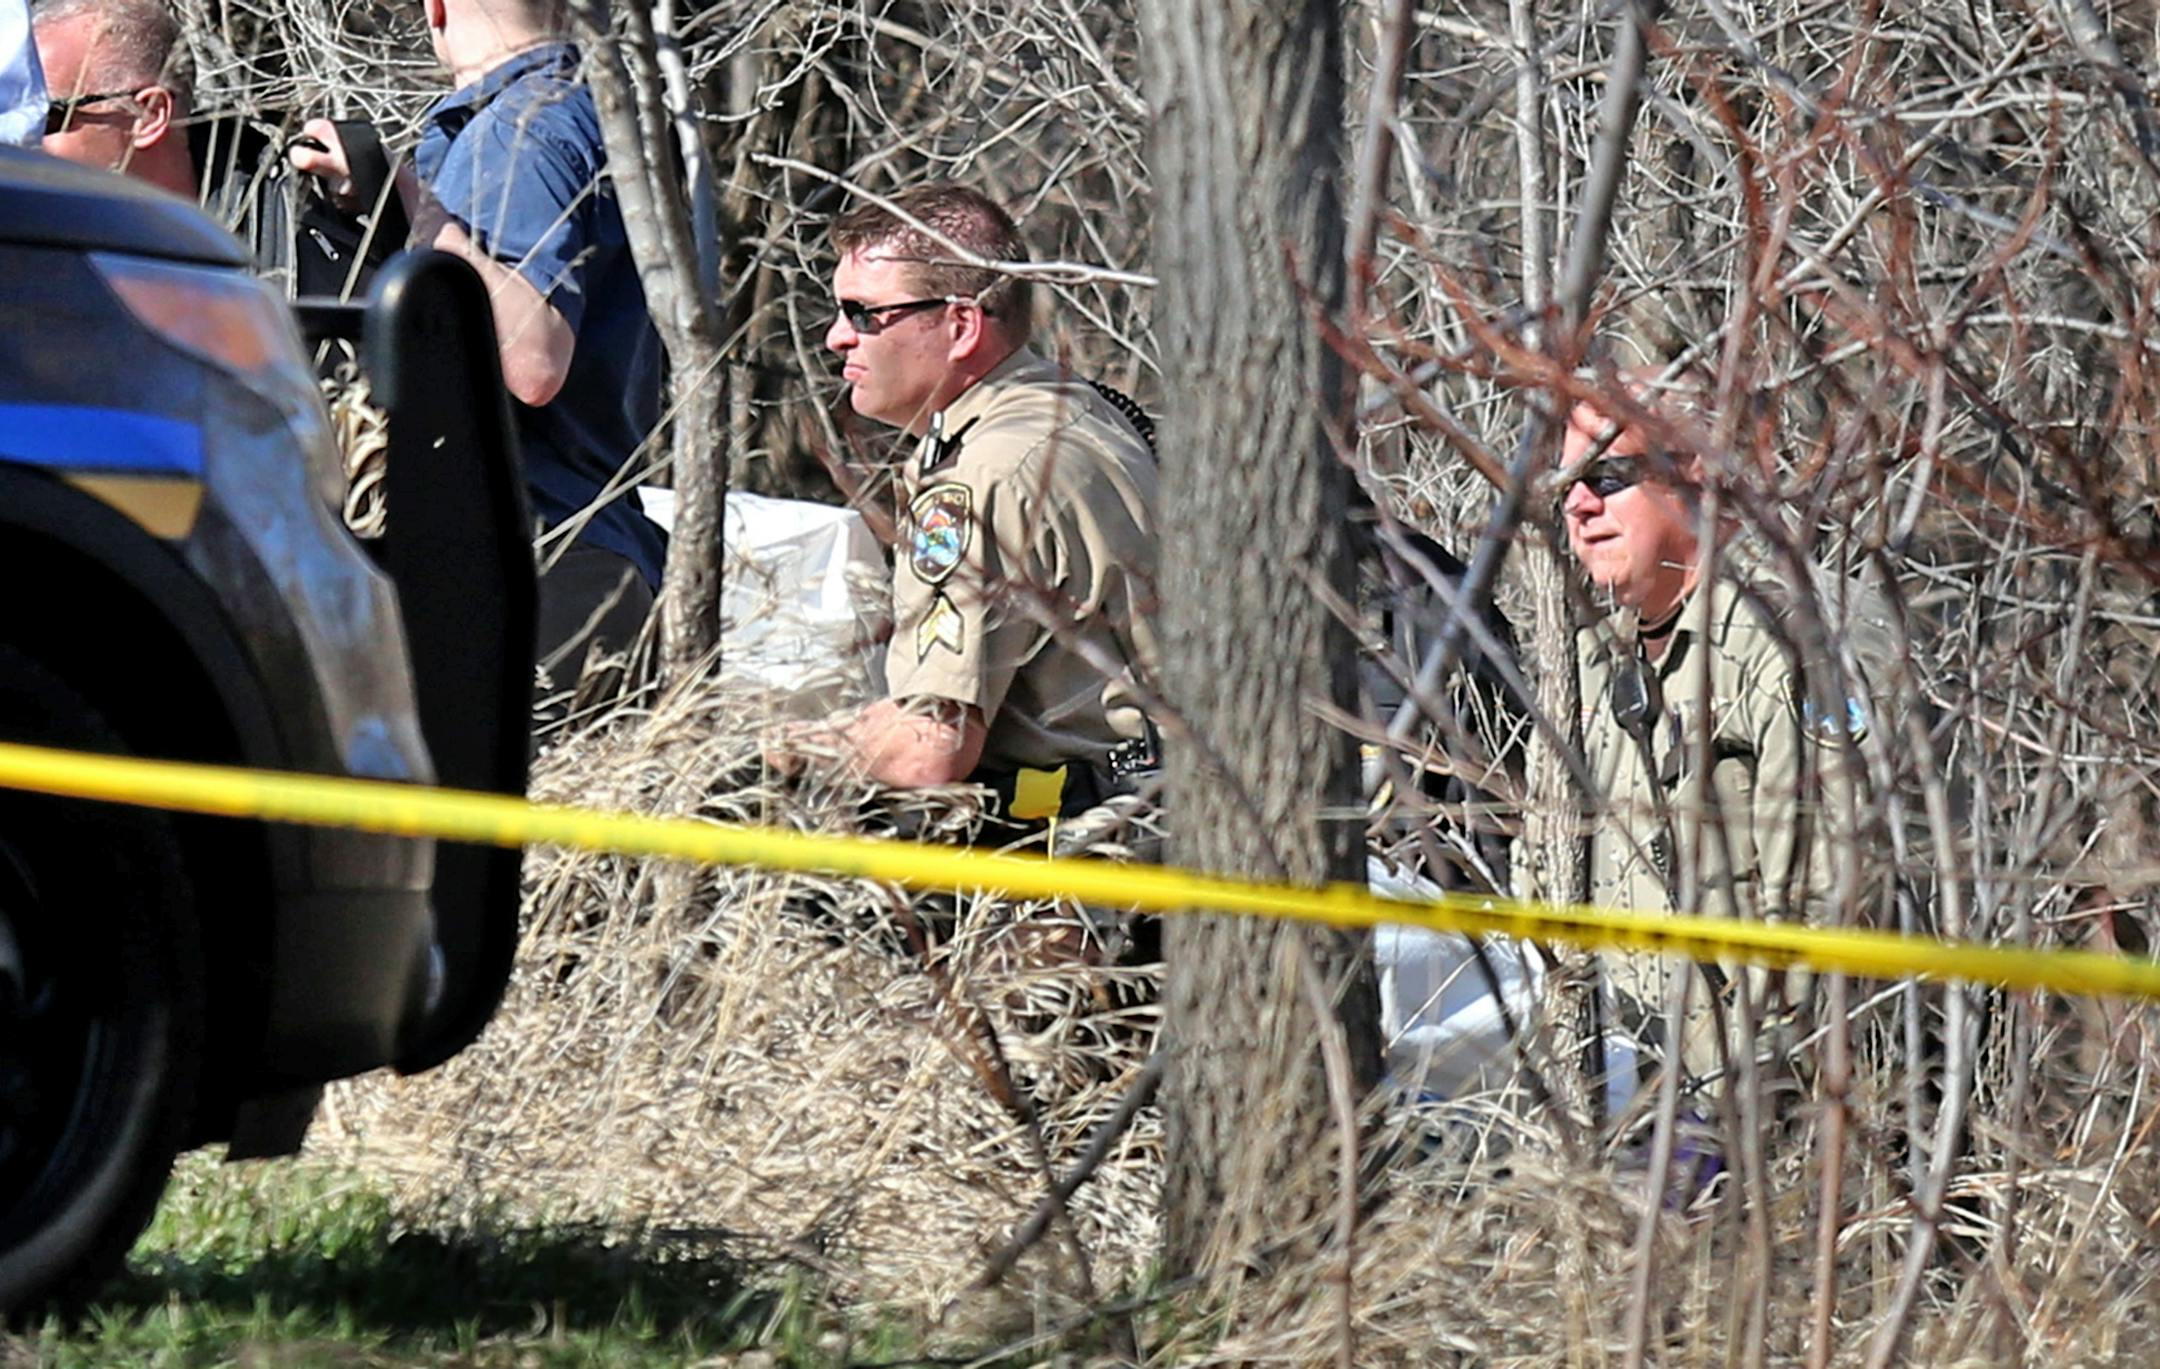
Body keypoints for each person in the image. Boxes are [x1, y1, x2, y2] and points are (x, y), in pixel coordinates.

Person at [289, 0, 666, 708]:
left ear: (435, 8)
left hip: (536, 570)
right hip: (580, 562)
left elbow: (534, 361)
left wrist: (412, 200)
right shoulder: (591, 117)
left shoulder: (519, 129)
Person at [773, 183, 1161, 846]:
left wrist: (776, 747)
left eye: (865, 314)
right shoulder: (1079, 409)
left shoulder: (984, 474)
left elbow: (932, 746)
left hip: (1089, 866)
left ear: (960, 326)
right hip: (1177, 815)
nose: (838, 337)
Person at [1559, 375, 1896, 1111]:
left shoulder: (1792, 630)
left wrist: (1755, 1095)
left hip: (1783, 1107)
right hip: (1623, 1091)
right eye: (1565, 487)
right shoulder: (1587, 658)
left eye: (1608, 476)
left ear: (1701, 475)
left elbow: (1835, 890)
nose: (1579, 505)